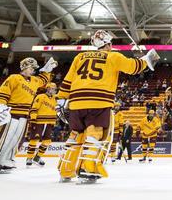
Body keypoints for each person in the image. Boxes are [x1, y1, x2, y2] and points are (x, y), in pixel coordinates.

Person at [57, 30, 159, 184]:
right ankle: (88, 167)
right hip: (99, 101)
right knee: (95, 134)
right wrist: (146, 59)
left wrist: (60, 101)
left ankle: (66, 169)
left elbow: (67, 81)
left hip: (76, 102)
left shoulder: (80, 56)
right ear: (109, 44)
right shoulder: (113, 56)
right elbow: (133, 67)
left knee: (76, 134)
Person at [0, 57, 57, 174]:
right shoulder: (14, 78)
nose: (33, 70)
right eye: (31, 68)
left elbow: (43, 80)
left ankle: (5, 161)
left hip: (24, 116)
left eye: (34, 68)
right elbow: (2, 93)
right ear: (24, 67)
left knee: (16, 141)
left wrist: (47, 70)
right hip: (11, 114)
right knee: (3, 139)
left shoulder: (34, 81)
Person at [26, 83, 58, 167]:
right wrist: (33, 119)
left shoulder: (55, 98)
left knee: (47, 141)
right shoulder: (40, 96)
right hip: (39, 122)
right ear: (48, 89)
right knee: (34, 140)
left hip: (50, 123)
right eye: (53, 88)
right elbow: (34, 108)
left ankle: (38, 157)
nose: (55, 90)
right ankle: (29, 158)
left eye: (55, 89)